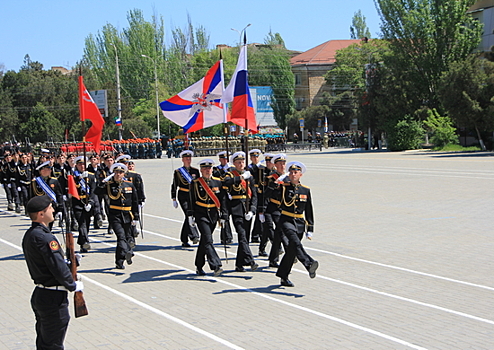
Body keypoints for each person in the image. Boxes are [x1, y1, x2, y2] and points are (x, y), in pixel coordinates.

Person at [22, 195, 84, 350]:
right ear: (41, 214)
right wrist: (72, 284)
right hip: (53, 298)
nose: (53, 211)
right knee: (53, 345)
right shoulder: (45, 238)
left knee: (45, 342)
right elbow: (56, 266)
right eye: (50, 208)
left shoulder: (31, 234)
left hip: (42, 294)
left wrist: (71, 261)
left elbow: (47, 263)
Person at [275, 161, 319, 287]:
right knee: (295, 243)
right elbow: (269, 195)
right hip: (286, 221)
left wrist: (310, 228)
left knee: (291, 251)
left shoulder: (305, 190)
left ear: (301, 175)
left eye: (296, 173)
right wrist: (276, 184)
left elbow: (309, 210)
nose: (293, 175)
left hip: (299, 223)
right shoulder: (283, 187)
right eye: (291, 172)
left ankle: (283, 276)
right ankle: (309, 263)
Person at [95, 162, 139, 269]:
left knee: (125, 238)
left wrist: (136, 217)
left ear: (124, 174)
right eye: (116, 172)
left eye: (120, 172)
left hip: (127, 215)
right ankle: (128, 251)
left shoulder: (129, 185)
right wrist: (103, 182)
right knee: (121, 236)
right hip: (115, 215)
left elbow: (134, 201)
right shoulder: (109, 185)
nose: (118, 174)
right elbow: (96, 191)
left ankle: (119, 262)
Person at [188, 159, 228, 277]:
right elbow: (191, 200)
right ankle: (216, 265)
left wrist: (224, 215)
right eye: (204, 168)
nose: (207, 170)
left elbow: (223, 200)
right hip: (201, 214)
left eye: (209, 168)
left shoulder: (217, 182)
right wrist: (190, 215)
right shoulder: (195, 183)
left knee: (205, 241)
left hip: (213, 215)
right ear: (200, 170)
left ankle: (199, 265)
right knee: (208, 239)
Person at [223, 151, 259, 272]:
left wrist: (253, 210)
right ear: (234, 163)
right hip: (236, 209)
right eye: (238, 162)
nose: (241, 164)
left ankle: (239, 264)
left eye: (243, 162)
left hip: (247, 210)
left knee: (245, 238)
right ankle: (251, 261)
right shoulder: (230, 175)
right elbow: (226, 182)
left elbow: (254, 195)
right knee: (242, 235)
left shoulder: (250, 176)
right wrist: (241, 178)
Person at [171, 150, 200, 247]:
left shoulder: (195, 171)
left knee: (190, 216)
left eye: (189, 158)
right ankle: (194, 236)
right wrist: (173, 198)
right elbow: (174, 185)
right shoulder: (178, 172)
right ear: (182, 160)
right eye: (186, 159)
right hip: (183, 195)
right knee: (188, 214)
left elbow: (199, 184)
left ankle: (184, 239)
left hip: (193, 195)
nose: (188, 160)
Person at [71, 156, 98, 253]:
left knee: (86, 223)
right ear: (76, 165)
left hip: (87, 203)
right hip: (77, 203)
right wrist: (79, 178)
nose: (82, 166)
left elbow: (94, 191)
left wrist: (90, 203)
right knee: (81, 223)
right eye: (79, 164)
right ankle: (86, 242)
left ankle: (82, 243)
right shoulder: (72, 176)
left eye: (83, 164)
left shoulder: (91, 176)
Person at [213, 150, 233, 245]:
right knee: (225, 216)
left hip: (233, 194)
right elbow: (219, 178)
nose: (225, 160)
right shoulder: (216, 169)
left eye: (227, 159)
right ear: (220, 159)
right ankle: (226, 237)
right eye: (223, 159)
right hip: (223, 195)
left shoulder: (232, 168)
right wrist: (224, 170)